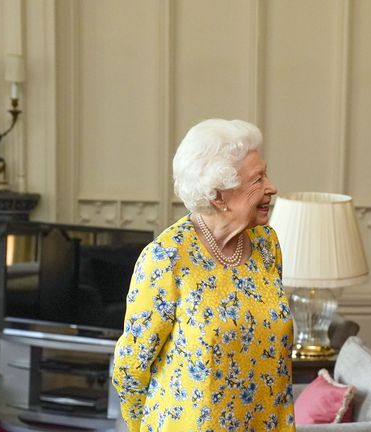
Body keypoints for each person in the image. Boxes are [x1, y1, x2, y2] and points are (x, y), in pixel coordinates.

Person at [112, 119, 295, 431]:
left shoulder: (267, 245)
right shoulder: (167, 258)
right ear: (218, 195)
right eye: (258, 178)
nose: (272, 187)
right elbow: (131, 366)